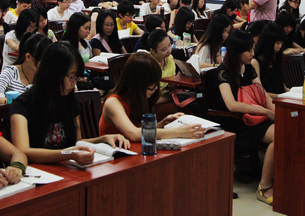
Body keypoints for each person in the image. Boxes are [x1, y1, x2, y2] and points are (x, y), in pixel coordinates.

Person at [10, 42, 129, 165]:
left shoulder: (68, 99)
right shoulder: (22, 105)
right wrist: (67, 154)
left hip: (67, 167)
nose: (74, 84)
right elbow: (22, 151)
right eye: (71, 77)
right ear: (52, 74)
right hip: (39, 170)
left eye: (76, 78)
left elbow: (77, 142)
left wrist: (104, 139)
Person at [208, 30, 275, 204]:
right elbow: (232, 105)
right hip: (236, 122)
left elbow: (262, 93)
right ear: (236, 51)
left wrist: (275, 112)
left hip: (254, 118)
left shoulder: (249, 68)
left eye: (253, 49)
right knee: (279, 136)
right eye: (248, 50)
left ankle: (280, 179)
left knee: (287, 128)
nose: (252, 54)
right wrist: (265, 112)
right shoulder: (223, 72)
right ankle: (264, 187)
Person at [99, 52, 205, 140]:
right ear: (137, 84)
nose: (155, 89)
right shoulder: (113, 102)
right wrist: (178, 132)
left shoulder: (138, 99)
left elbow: (141, 131)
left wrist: (161, 124)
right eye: (151, 86)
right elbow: (133, 133)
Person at [0, 33, 52, 101]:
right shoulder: (11, 73)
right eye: (42, 60)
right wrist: (9, 102)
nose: (46, 65)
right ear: (28, 57)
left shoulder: (49, 75)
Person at [254, 22, 287, 98]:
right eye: (277, 43)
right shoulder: (255, 62)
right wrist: (283, 97)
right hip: (269, 101)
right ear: (268, 42)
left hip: (281, 99)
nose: (280, 46)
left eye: (281, 43)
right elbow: (260, 93)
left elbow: (284, 88)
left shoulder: (275, 59)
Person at [145, 29, 176, 104]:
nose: (169, 50)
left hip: (168, 97)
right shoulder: (148, 65)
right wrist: (170, 99)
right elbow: (149, 98)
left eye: (169, 45)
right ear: (153, 51)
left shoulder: (170, 58)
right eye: (164, 49)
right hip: (153, 102)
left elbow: (172, 84)